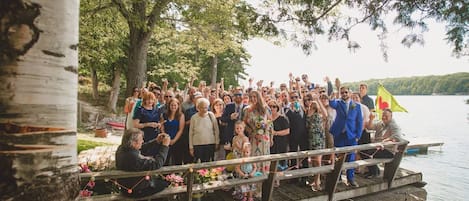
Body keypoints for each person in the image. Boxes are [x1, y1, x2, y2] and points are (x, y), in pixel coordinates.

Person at [115, 128, 170, 198]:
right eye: (141, 140)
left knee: (160, 181)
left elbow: (141, 147)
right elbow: (157, 164)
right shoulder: (132, 157)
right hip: (135, 190)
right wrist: (165, 146)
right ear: (133, 142)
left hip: (126, 187)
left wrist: (156, 141)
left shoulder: (122, 148)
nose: (142, 141)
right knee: (166, 183)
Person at [329, 86, 363, 187]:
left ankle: (350, 178)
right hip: (339, 134)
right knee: (339, 156)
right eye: (342, 92)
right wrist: (331, 98)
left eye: (346, 92)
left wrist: (358, 135)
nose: (344, 94)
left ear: (350, 93)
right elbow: (332, 103)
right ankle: (338, 177)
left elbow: (359, 122)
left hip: (351, 135)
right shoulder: (338, 103)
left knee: (351, 157)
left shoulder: (356, 106)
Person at [364, 108, 406, 178]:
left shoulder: (394, 125)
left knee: (367, 153)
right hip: (379, 148)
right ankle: (374, 171)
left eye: (386, 116)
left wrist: (387, 140)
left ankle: (374, 172)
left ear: (391, 117)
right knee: (364, 152)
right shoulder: (380, 123)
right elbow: (369, 127)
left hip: (389, 151)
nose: (384, 117)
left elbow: (398, 137)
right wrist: (371, 119)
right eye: (383, 115)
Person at [243, 90, 272, 174]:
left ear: (258, 97)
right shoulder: (247, 110)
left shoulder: (265, 108)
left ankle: (265, 177)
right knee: (253, 157)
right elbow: (244, 123)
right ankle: (254, 179)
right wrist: (252, 133)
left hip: (264, 137)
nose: (253, 98)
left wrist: (265, 132)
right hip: (253, 138)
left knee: (264, 157)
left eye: (255, 96)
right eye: (251, 97)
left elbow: (270, 121)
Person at [304, 94, 327, 191]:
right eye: (311, 105)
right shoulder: (307, 114)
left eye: (314, 106)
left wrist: (318, 100)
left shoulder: (320, 115)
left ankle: (317, 182)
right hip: (311, 139)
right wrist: (309, 111)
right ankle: (315, 179)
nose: (313, 107)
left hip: (319, 140)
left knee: (318, 161)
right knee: (313, 161)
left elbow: (326, 115)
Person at [189, 98, 220, 162]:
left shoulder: (211, 115)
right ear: (198, 108)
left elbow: (216, 130)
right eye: (202, 107)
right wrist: (191, 147)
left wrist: (217, 142)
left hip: (210, 144)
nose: (204, 109)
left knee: (210, 163)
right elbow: (191, 133)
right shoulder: (193, 117)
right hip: (197, 145)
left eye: (206, 107)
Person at [133, 91, 162, 157]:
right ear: (145, 100)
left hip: (155, 135)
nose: (150, 101)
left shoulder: (156, 110)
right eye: (148, 99)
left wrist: (159, 125)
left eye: (152, 99)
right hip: (144, 135)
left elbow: (159, 121)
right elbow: (135, 125)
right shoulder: (140, 110)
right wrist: (148, 124)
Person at [221, 89, 247, 154]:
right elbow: (222, 119)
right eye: (236, 95)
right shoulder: (229, 106)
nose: (238, 96)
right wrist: (230, 117)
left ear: (243, 96)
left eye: (239, 95)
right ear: (233, 97)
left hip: (244, 136)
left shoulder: (247, 107)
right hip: (231, 136)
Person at [160, 98, 185, 165]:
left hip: (177, 141)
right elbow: (162, 127)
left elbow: (181, 129)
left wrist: (174, 140)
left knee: (177, 160)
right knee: (165, 161)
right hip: (166, 141)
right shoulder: (164, 115)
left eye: (175, 105)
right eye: (171, 105)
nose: (173, 107)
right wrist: (166, 137)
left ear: (178, 106)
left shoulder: (181, 115)